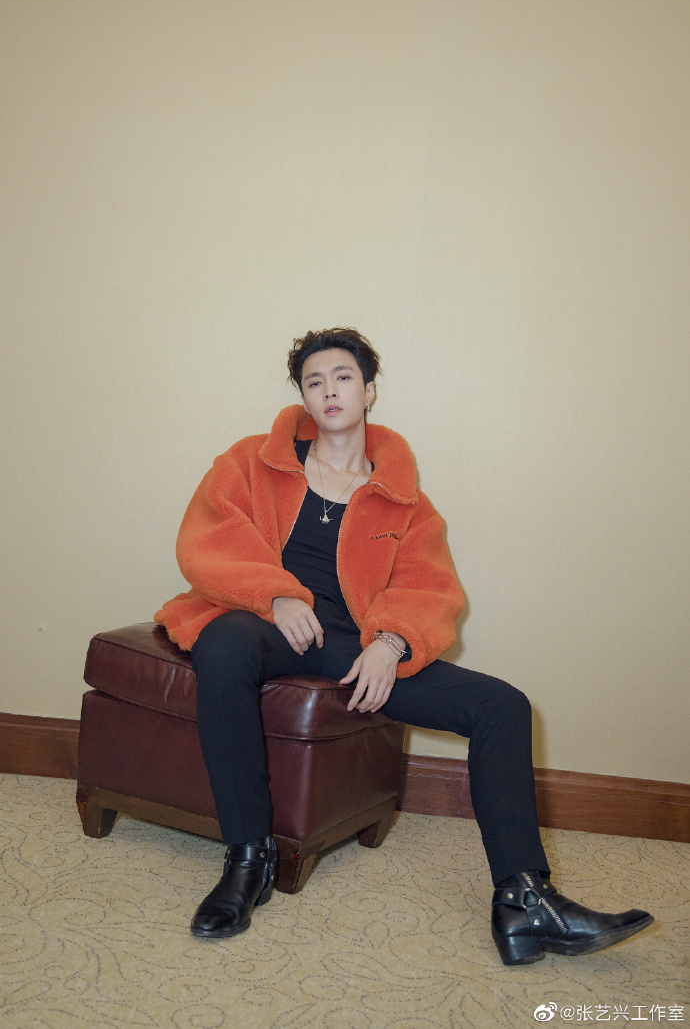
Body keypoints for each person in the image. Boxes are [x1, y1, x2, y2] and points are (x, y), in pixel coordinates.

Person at [155, 327, 653, 966]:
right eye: (314, 381)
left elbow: (428, 586)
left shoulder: (406, 501)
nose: (329, 390)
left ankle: (526, 902)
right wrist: (276, 596)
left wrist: (391, 642)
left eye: (342, 377)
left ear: (368, 391)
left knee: (503, 706)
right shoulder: (251, 461)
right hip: (266, 625)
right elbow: (207, 538)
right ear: (303, 397)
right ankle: (248, 861)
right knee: (223, 643)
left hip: (352, 645)